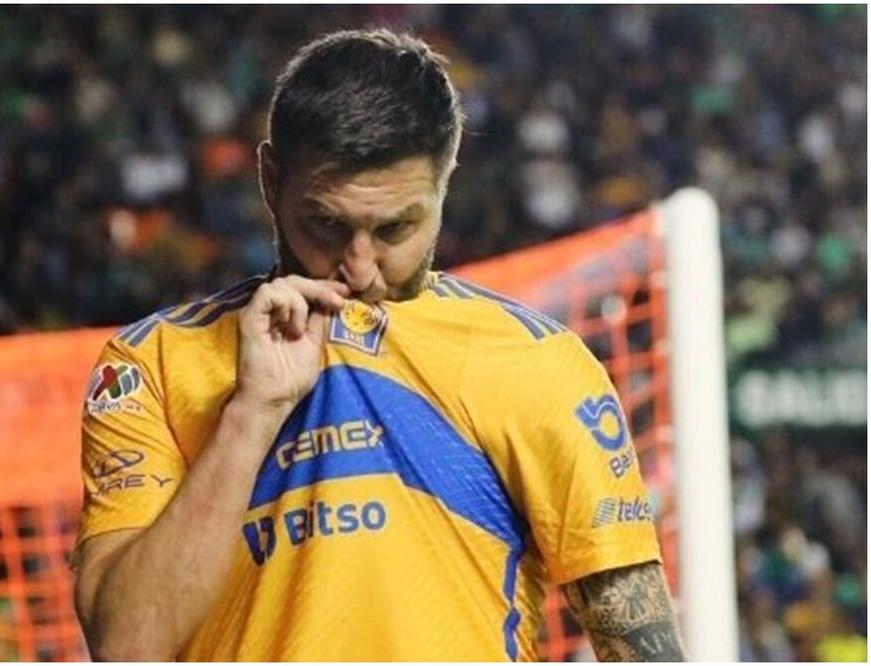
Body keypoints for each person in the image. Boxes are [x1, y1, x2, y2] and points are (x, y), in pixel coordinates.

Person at [72, 28, 685, 661]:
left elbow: (644, 650)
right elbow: (127, 647)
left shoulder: (536, 363)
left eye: (395, 227)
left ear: (445, 180)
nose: (359, 267)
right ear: (270, 180)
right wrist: (251, 414)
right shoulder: (153, 364)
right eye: (326, 223)